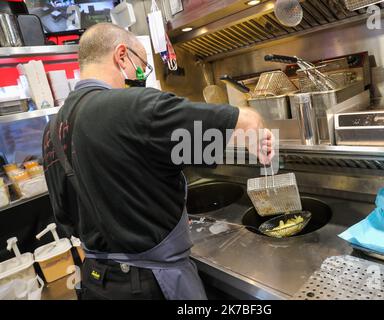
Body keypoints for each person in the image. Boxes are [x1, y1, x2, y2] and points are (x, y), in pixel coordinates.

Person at [42, 23, 273, 300]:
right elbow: (244, 122)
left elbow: (66, 217)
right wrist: (257, 134)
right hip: (149, 285)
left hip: (95, 280)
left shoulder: (52, 131)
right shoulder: (133, 106)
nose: (141, 76)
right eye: (142, 66)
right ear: (121, 55)